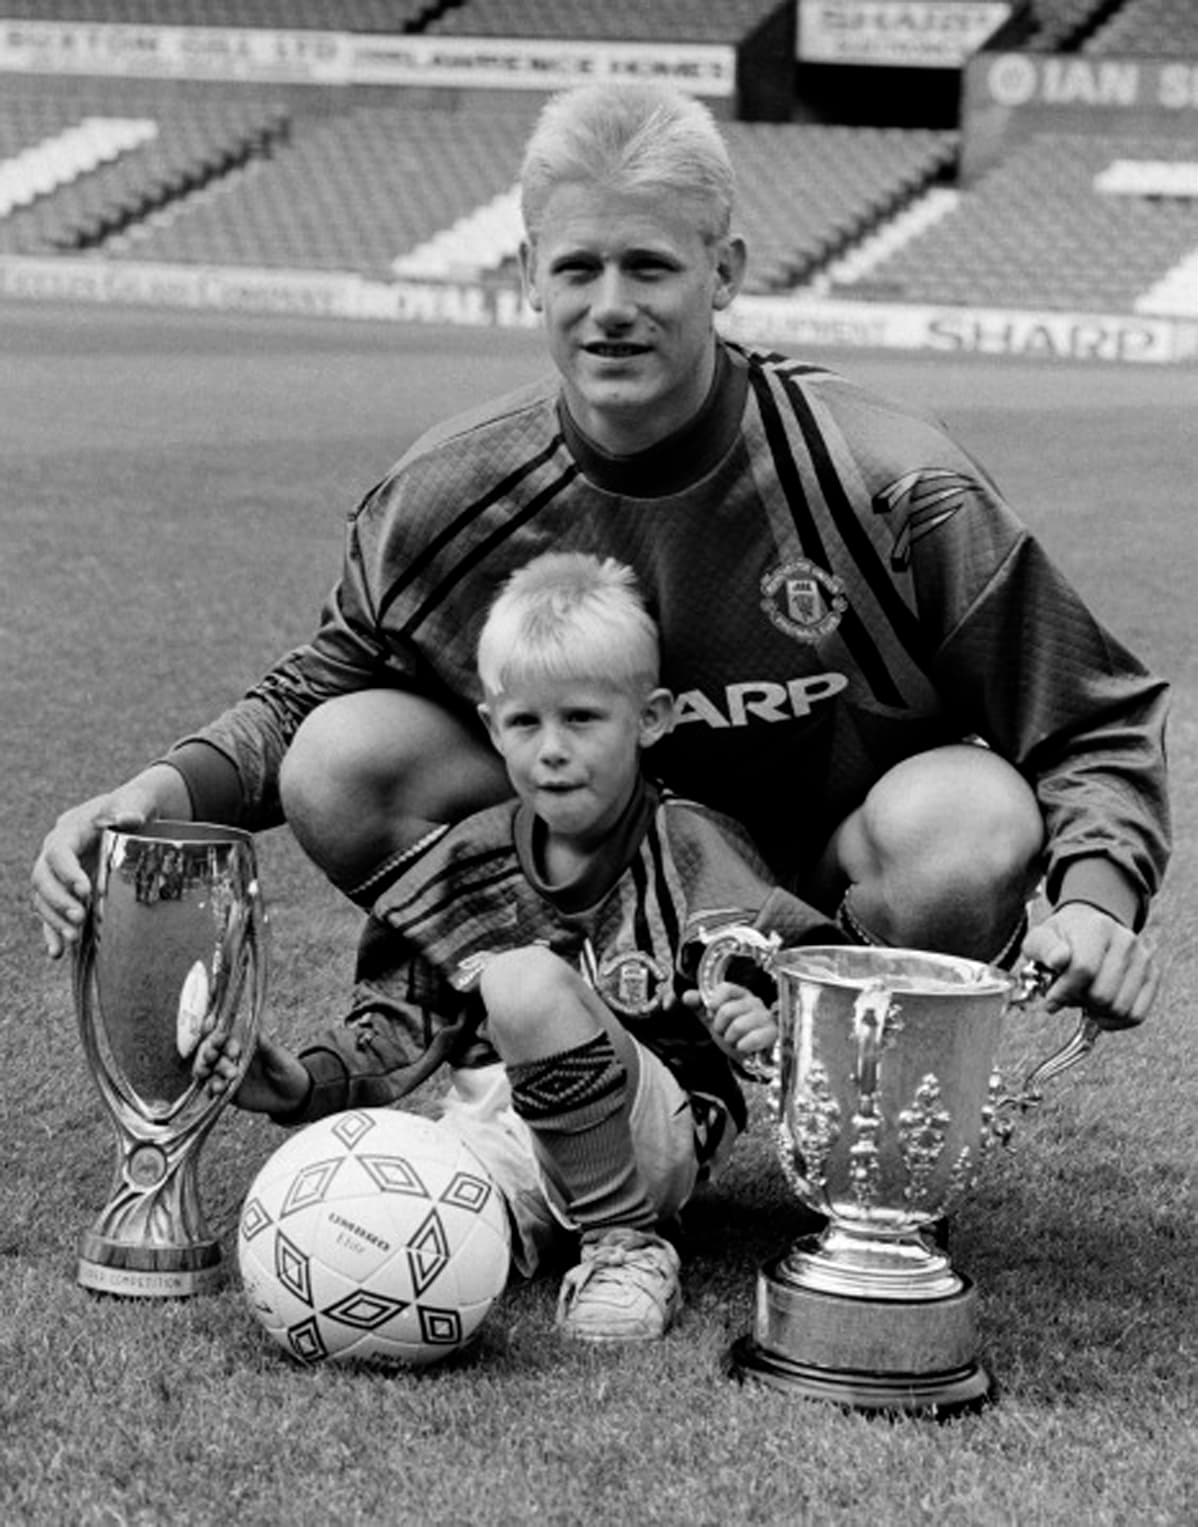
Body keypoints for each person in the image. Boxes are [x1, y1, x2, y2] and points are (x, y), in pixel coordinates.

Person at [34, 81, 1168, 1038]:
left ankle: (808, 1095)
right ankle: (558, 1052)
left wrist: (1100, 900)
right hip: (584, 867)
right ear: (529, 271)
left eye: (650, 268)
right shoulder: (446, 494)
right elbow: (310, 696)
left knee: (972, 822)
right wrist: (158, 793)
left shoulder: (888, 483)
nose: (609, 308)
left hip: (818, 889)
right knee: (343, 756)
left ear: (722, 272)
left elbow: (1085, 717)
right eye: (578, 269)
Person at [193, 551, 841, 1341]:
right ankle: (500, 1235)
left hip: (655, 1131)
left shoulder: (696, 849)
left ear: (652, 718)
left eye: (582, 718)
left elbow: (821, 981)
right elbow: (397, 1026)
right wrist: (297, 1082)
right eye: (526, 722)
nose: (552, 749)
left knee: (524, 984)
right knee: (373, 1218)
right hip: (498, 1128)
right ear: (491, 729)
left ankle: (627, 1243)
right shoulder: (467, 860)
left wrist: (770, 1029)